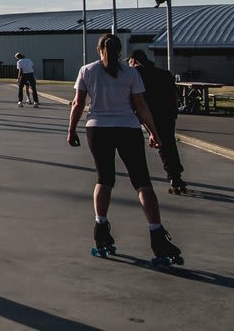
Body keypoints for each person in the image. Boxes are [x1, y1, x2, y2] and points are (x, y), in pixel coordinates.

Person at [68, 34, 183, 265]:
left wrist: (71, 130)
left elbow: (78, 103)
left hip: (98, 130)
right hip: (128, 129)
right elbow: (140, 105)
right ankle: (157, 234)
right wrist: (154, 132)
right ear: (121, 50)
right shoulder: (131, 72)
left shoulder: (87, 70)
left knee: (104, 179)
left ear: (98, 48)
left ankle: (101, 228)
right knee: (142, 181)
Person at [129, 49, 186, 195]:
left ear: (134, 61)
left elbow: (136, 98)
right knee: (169, 144)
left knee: (161, 145)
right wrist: (174, 111)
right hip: (168, 114)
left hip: (150, 115)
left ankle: (173, 177)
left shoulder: (137, 75)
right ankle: (176, 175)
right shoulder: (164, 74)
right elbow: (174, 94)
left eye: (129, 61)